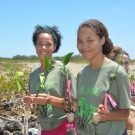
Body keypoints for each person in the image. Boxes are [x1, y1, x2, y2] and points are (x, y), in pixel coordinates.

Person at [75, 19, 131, 135]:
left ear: (102, 40)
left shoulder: (117, 72)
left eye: (90, 40)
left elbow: (125, 112)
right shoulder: (81, 74)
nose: (83, 46)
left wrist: (107, 115)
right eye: (80, 41)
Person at [24, 25, 77, 135]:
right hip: (45, 129)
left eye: (48, 44)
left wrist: (49, 100)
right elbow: (37, 109)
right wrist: (31, 102)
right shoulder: (33, 75)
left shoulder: (63, 69)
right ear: (35, 46)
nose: (43, 47)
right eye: (40, 44)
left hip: (64, 126)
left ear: (54, 47)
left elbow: (74, 105)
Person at [111, 46, 133, 134]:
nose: (123, 65)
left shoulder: (125, 79)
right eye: (120, 62)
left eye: (126, 63)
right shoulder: (111, 80)